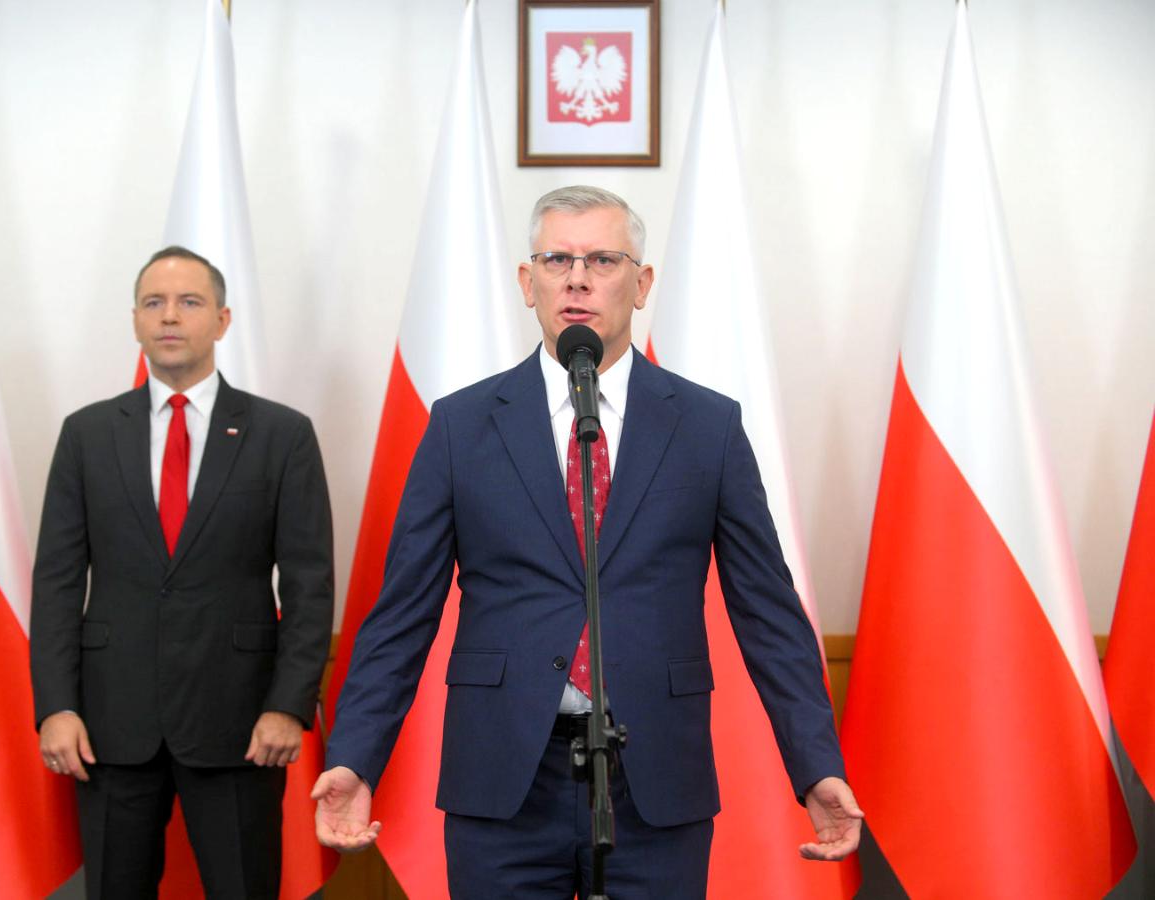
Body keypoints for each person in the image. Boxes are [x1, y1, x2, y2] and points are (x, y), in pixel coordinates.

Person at [312, 187, 862, 898]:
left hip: (654, 776)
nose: (577, 279)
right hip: (502, 776)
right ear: (527, 282)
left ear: (642, 283)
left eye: (602, 260)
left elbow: (769, 613)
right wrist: (356, 756)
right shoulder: (461, 426)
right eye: (556, 260)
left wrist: (816, 766)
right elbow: (402, 613)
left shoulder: (707, 427)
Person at [30, 246, 334, 898]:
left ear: (222, 320)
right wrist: (56, 706)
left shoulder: (281, 435)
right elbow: (56, 582)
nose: (170, 316)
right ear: (135, 321)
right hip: (109, 726)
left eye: (189, 302)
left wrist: (288, 707)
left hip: (243, 725)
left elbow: (310, 585)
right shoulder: (86, 435)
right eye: (154, 302)